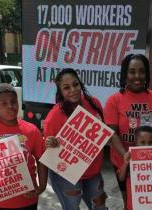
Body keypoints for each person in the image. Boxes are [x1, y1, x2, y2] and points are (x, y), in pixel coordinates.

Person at [103, 54, 152, 209]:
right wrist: (126, 156)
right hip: (124, 163)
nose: (137, 76)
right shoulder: (114, 100)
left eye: (142, 71)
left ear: (147, 74)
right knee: (130, 203)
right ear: (125, 74)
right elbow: (111, 134)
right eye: (132, 71)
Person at [0, 83, 46, 210]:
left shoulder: (31, 130)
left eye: (13, 102)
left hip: (28, 199)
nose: (11, 106)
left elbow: (41, 159)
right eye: (4, 103)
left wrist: (42, 185)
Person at [43, 68, 107, 210]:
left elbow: (104, 133)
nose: (73, 90)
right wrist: (48, 144)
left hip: (93, 172)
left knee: (100, 207)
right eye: (66, 87)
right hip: (66, 176)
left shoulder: (94, 103)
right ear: (60, 92)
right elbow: (48, 152)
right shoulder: (54, 117)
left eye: (75, 84)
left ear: (80, 84)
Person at [118, 125, 152, 210]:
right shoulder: (130, 157)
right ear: (135, 143)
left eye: (150, 143)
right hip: (134, 203)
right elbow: (121, 178)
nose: (146, 146)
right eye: (142, 142)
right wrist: (126, 163)